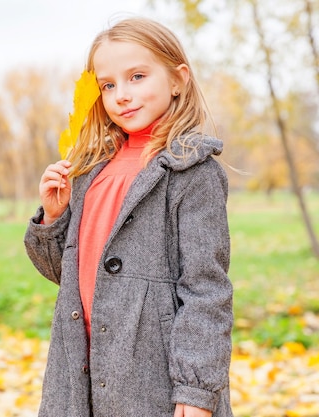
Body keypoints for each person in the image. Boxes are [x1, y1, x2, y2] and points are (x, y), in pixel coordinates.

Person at [24, 16, 233, 417]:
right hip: (78, 369)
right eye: (108, 85)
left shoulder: (192, 172)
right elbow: (66, 275)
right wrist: (54, 219)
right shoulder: (88, 171)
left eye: (137, 76)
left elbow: (206, 291)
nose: (122, 94)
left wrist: (196, 388)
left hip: (152, 375)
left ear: (178, 79)